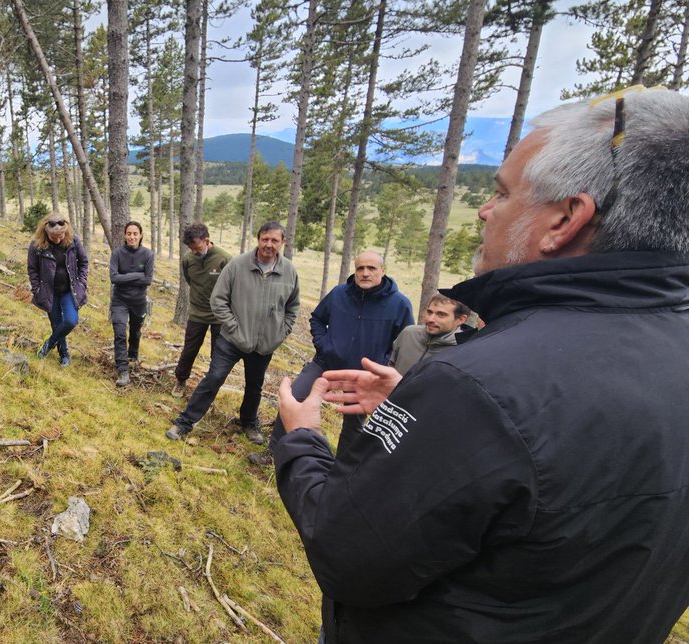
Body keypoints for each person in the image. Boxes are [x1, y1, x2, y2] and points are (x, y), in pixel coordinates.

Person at [272, 88, 689, 642]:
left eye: (502, 192)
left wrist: (302, 440)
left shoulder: (478, 383)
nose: (486, 210)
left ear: (566, 219)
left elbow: (345, 552)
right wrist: (429, 415)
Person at [165, 222, 299, 445]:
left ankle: (249, 422)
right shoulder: (237, 265)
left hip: (264, 344)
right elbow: (218, 300)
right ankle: (184, 422)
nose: (269, 244)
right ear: (258, 239)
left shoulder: (289, 272)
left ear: (282, 243)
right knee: (214, 378)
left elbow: (292, 308)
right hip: (231, 340)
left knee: (254, 385)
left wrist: (280, 333)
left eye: (275, 240)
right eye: (265, 239)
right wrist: (232, 327)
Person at [291, 250, 412, 452]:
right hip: (326, 363)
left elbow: (403, 342)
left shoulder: (399, 304)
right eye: (360, 268)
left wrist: (382, 364)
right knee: (295, 399)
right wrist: (324, 345)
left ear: (383, 270)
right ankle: (276, 451)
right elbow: (317, 318)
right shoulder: (339, 294)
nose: (365, 273)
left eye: (371, 268)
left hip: (364, 375)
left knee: (353, 427)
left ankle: (341, 467)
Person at [172, 222, 230, 398]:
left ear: (207, 240)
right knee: (189, 349)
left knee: (217, 354)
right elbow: (190, 280)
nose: (194, 251)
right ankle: (180, 380)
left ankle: (210, 388)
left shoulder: (224, 259)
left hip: (219, 316)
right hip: (197, 313)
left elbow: (233, 286)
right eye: (190, 248)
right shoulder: (188, 259)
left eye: (196, 247)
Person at [27, 213, 88, 367]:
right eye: (54, 237)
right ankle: (64, 355)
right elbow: (32, 269)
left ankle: (49, 343)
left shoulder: (73, 241)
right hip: (49, 292)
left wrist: (82, 283)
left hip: (69, 290)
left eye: (61, 236)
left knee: (70, 321)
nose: (58, 239)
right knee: (56, 324)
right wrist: (37, 289)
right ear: (46, 233)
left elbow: (84, 263)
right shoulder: (36, 246)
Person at [109, 221, 154, 387]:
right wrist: (138, 275)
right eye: (129, 233)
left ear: (141, 235)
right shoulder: (117, 253)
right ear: (125, 235)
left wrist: (126, 277)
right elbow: (114, 278)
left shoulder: (148, 254)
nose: (132, 237)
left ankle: (133, 356)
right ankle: (123, 370)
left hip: (139, 301)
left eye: (135, 234)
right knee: (119, 332)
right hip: (119, 300)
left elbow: (148, 280)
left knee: (135, 332)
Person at [388, 294, 470, 374]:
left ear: (460, 320)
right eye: (429, 312)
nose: (430, 319)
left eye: (441, 315)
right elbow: (391, 366)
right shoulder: (408, 334)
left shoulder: (463, 351)